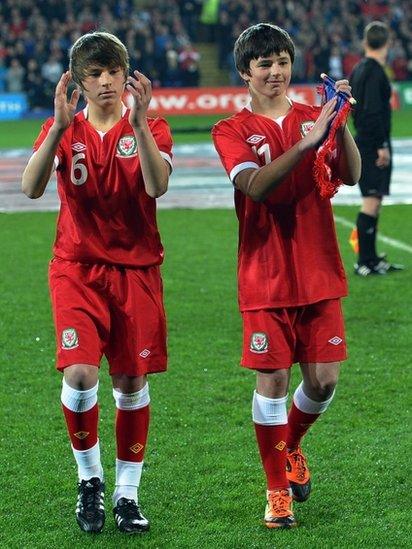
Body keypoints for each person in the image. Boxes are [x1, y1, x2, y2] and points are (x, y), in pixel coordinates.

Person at [21, 31, 173, 534]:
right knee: (81, 375)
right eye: (94, 74)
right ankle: (90, 481)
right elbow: (31, 187)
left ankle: (127, 494)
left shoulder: (154, 128)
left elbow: (157, 185)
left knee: (131, 383)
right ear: (79, 82)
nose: (105, 82)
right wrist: (59, 128)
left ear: (126, 76)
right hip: (78, 270)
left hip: (137, 271)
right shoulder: (64, 128)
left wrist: (142, 127)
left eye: (112, 72)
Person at [212, 23, 361, 529]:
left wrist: (338, 124)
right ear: (245, 74)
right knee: (272, 382)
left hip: (319, 269)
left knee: (322, 382)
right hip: (265, 274)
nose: (275, 72)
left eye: (281, 62)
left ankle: (291, 446)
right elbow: (254, 187)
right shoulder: (230, 130)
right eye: (264, 65)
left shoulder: (311, 118)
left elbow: (352, 174)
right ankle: (277, 491)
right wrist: (306, 144)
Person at [350, 21, 404, 276]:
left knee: (375, 200)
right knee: (371, 201)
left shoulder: (359, 69)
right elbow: (372, 112)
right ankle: (365, 261)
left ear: (365, 42)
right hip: (373, 144)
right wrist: (381, 145)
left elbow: (354, 108)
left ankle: (370, 258)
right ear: (387, 43)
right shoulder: (374, 72)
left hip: (364, 141)